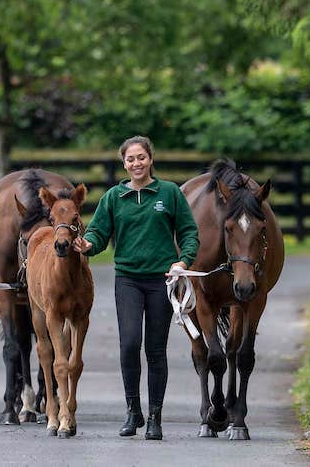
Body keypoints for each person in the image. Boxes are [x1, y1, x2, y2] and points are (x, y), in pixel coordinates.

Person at [73, 136, 198, 440]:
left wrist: (183, 261)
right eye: (130, 159)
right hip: (127, 279)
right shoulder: (114, 197)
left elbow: (189, 232)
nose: (136, 163)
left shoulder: (168, 193)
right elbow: (99, 233)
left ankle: (155, 417)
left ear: (150, 159)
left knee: (155, 350)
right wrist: (87, 245)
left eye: (141, 157)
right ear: (124, 163)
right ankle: (133, 412)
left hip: (161, 281)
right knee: (129, 344)